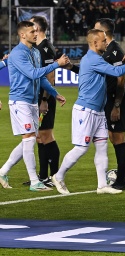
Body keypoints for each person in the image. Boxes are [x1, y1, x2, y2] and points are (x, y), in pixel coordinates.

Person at [51, 29, 125, 195]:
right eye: (104, 41)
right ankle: (59, 176)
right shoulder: (92, 59)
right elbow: (117, 72)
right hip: (86, 110)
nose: (106, 43)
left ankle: (101, 185)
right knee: (81, 148)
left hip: (97, 111)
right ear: (95, 43)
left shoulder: (96, 59)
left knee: (102, 146)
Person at [0, 21, 68, 191]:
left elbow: (40, 78)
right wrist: (56, 64)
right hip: (20, 101)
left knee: (27, 140)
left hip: (32, 102)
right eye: (31, 31)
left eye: (36, 31)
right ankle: (34, 181)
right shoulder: (17, 54)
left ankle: (2, 172)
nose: (35, 33)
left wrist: (54, 93)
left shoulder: (36, 53)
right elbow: (32, 74)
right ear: (22, 34)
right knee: (30, 138)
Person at [94, 18, 125, 191]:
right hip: (109, 98)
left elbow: (121, 79)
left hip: (118, 98)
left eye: (96, 29)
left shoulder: (115, 50)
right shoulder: (105, 50)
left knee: (118, 138)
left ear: (104, 32)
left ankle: (121, 180)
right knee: (112, 137)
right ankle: (123, 178)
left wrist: (117, 105)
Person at [29, 16, 61, 187]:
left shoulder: (46, 48)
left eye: (31, 23)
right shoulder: (37, 48)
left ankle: (55, 176)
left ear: (37, 27)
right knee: (39, 138)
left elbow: (51, 76)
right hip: (38, 98)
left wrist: (44, 100)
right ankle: (43, 176)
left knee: (47, 136)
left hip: (45, 100)